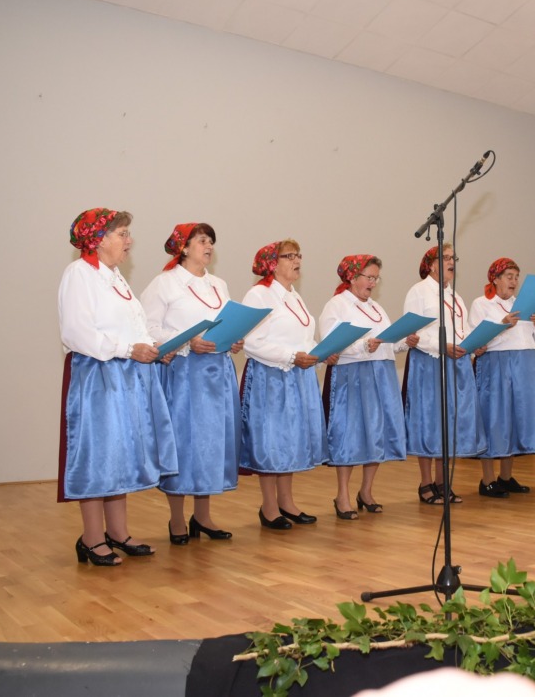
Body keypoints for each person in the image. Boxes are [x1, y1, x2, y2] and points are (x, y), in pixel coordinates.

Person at [58, 208, 177, 566]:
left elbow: (132, 328)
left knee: (120, 453)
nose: (129, 241)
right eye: (122, 234)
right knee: (100, 454)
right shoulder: (79, 274)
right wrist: (128, 350)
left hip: (127, 374)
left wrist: (154, 348)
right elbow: (77, 333)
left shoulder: (115, 277)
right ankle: (91, 538)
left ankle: (118, 532)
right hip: (99, 375)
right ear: (98, 239)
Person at [140, 223, 240, 544]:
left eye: (211, 241)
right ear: (183, 247)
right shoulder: (165, 283)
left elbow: (226, 323)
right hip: (184, 373)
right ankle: (176, 518)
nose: (209, 246)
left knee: (211, 443)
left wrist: (234, 339)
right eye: (201, 240)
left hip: (218, 372)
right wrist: (187, 341)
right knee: (185, 442)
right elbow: (148, 328)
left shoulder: (218, 284)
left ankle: (203, 516)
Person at [240, 240, 332, 530]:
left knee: (289, 440)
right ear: (272, 262)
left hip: (297, 375)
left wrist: (321, 352)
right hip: (270, 376)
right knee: (271, 441)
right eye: (289, 256)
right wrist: (292, 356)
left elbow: (304, 339)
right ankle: (268, 507)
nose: (297, 260)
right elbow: (251, 342)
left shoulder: (294, 296)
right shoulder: (259, 295)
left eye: (298, 255)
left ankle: (286, 502)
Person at [319, 255, 416, 520]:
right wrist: (363, 346)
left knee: (376, 433)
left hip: (381, 373)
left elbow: (387, 342)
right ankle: (342, 495)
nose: (373, 283)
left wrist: (404, 342)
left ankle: (366, 491)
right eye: (369, 277)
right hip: (351, 375)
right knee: (349, 435)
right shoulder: (336, 305)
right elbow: (331, 343)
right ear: (352, 277)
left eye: (376, 278)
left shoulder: (377, 308)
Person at [403, 244, 486, 504]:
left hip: (455, 362)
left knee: (448, 423)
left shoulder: (454, 294)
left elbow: (462, 328)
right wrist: (442, 346)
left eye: (453, 258)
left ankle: (442, 482)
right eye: (446, 258)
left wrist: (474, 343)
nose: (452, 262)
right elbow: (413, 333)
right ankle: (425, 483)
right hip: (429, 362)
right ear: (431, 265)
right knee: (429, 421)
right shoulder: (419, 291)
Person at [468, 258, 535, 497]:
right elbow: (476, 340)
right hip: (496, 364)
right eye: (508, 276)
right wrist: (501, 325)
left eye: (516, 277)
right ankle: (487, 480)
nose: (513, 281)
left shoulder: (524, 305)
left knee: (515, 418)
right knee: (494, 418)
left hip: (525, 363)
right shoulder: (482, 304)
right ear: (495, 279)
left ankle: (505, 476)